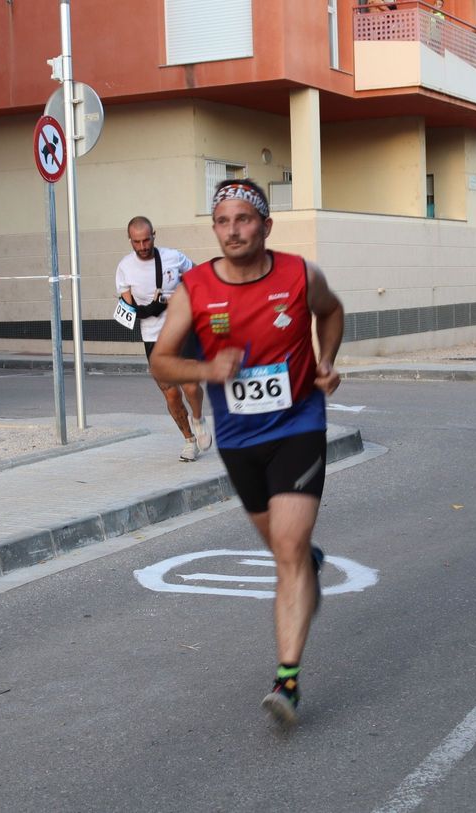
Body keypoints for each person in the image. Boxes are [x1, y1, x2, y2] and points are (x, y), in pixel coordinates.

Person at [151, 180, 344, 726]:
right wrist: (207, 368)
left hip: (298, 424)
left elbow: (331, 312)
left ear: (265, 225)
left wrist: (327, 360)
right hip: (238, 440)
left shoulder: (299, 276)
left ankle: (287, 681)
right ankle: (305, 566)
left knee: (288, 547)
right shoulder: (195, 288)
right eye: (222, 221)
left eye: (243, 219)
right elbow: (161, 361)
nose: (232, 231)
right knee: (284, 550)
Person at [116, 216, 211, 461]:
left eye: (146, 240)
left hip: (181, 327)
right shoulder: (125, 267)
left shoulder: (173, 257)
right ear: (130, 240)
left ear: (154, 235)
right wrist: (149, 309)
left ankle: (198, 418)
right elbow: (130, 309)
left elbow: (198, 276)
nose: (142, 246)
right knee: (170, 393)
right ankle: (189, 441)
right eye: (136, 242)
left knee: (190, 385)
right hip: (152, 336)